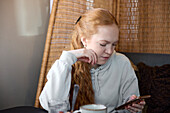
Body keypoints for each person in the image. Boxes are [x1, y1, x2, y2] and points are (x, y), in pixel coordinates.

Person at [39, 8, 145, 113]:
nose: (109, 51)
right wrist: (67, 58)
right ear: (84, 40)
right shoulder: (67, 64)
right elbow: (51, 106)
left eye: (114, 44)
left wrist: (133, 108)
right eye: (103, 44)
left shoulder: (122, 63)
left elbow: (129, 106)